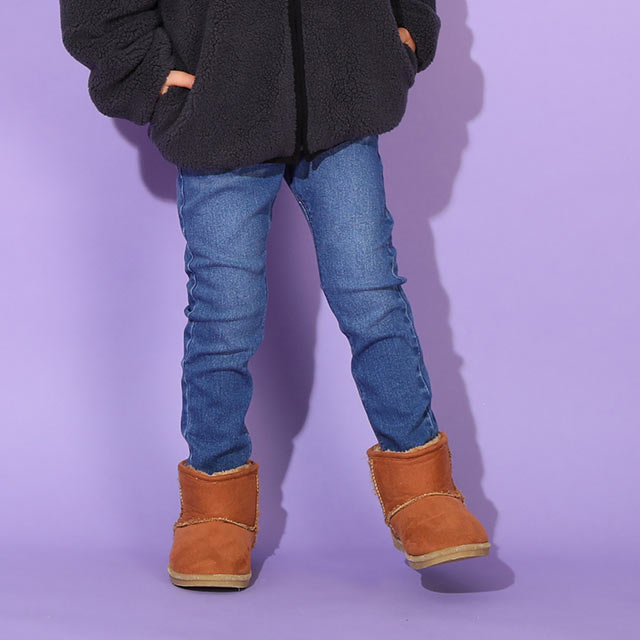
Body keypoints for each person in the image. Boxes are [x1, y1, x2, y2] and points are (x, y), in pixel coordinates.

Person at [59, 0, 490, 589]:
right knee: (225, 312)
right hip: (218, 110)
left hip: (345, 94)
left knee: (371, 294)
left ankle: (424, 491)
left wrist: (405, 32)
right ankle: (215, 504)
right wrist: (147, 74)